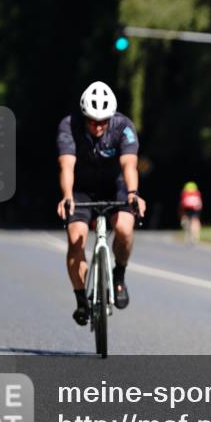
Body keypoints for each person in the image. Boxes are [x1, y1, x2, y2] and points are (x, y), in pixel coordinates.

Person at [56, 81, 147, 326]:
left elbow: (129, 164)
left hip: (116, 186)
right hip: (82, 189)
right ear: (84, 116)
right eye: (92, 121)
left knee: (125, 229)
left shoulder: (123, 126)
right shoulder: (69, 126)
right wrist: (67, 196)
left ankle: (119, 273)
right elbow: (66, 165)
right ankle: (81, 300)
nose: (97, 126)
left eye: (103, 121)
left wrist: (133, 193)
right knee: (76, 238)